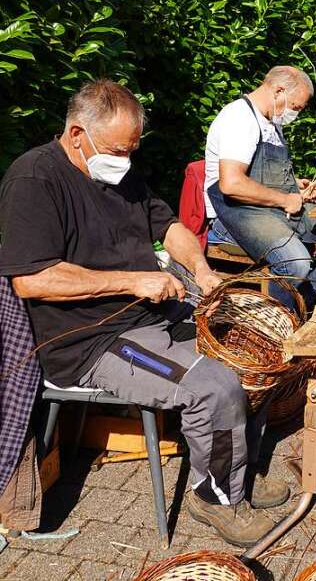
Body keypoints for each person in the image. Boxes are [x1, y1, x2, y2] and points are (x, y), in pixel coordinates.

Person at [0, 80, 288, 547]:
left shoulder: (121, 174)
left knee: (251, 355)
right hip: (91, 341)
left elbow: (169, 226)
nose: (126, 161)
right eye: (117, 149)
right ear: (77, 135)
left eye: (132, 149)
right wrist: (133, 281)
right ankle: (216, 499)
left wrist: (200, 267)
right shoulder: (34, 180)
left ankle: (236, 470)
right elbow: (33, 280)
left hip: (148, 317)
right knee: (213, 385)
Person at [205, 66, 316, 312]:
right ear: (279, 91)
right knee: (295, 263)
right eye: (295, 107)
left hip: (268, 207)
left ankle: (311, 297)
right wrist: (285, 199)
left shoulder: (270, 121)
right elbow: (231, 184)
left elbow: (260, 173)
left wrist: (295, 184)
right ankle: (277, 324)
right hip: (234, 215)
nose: (295, 113)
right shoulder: (239, 119)